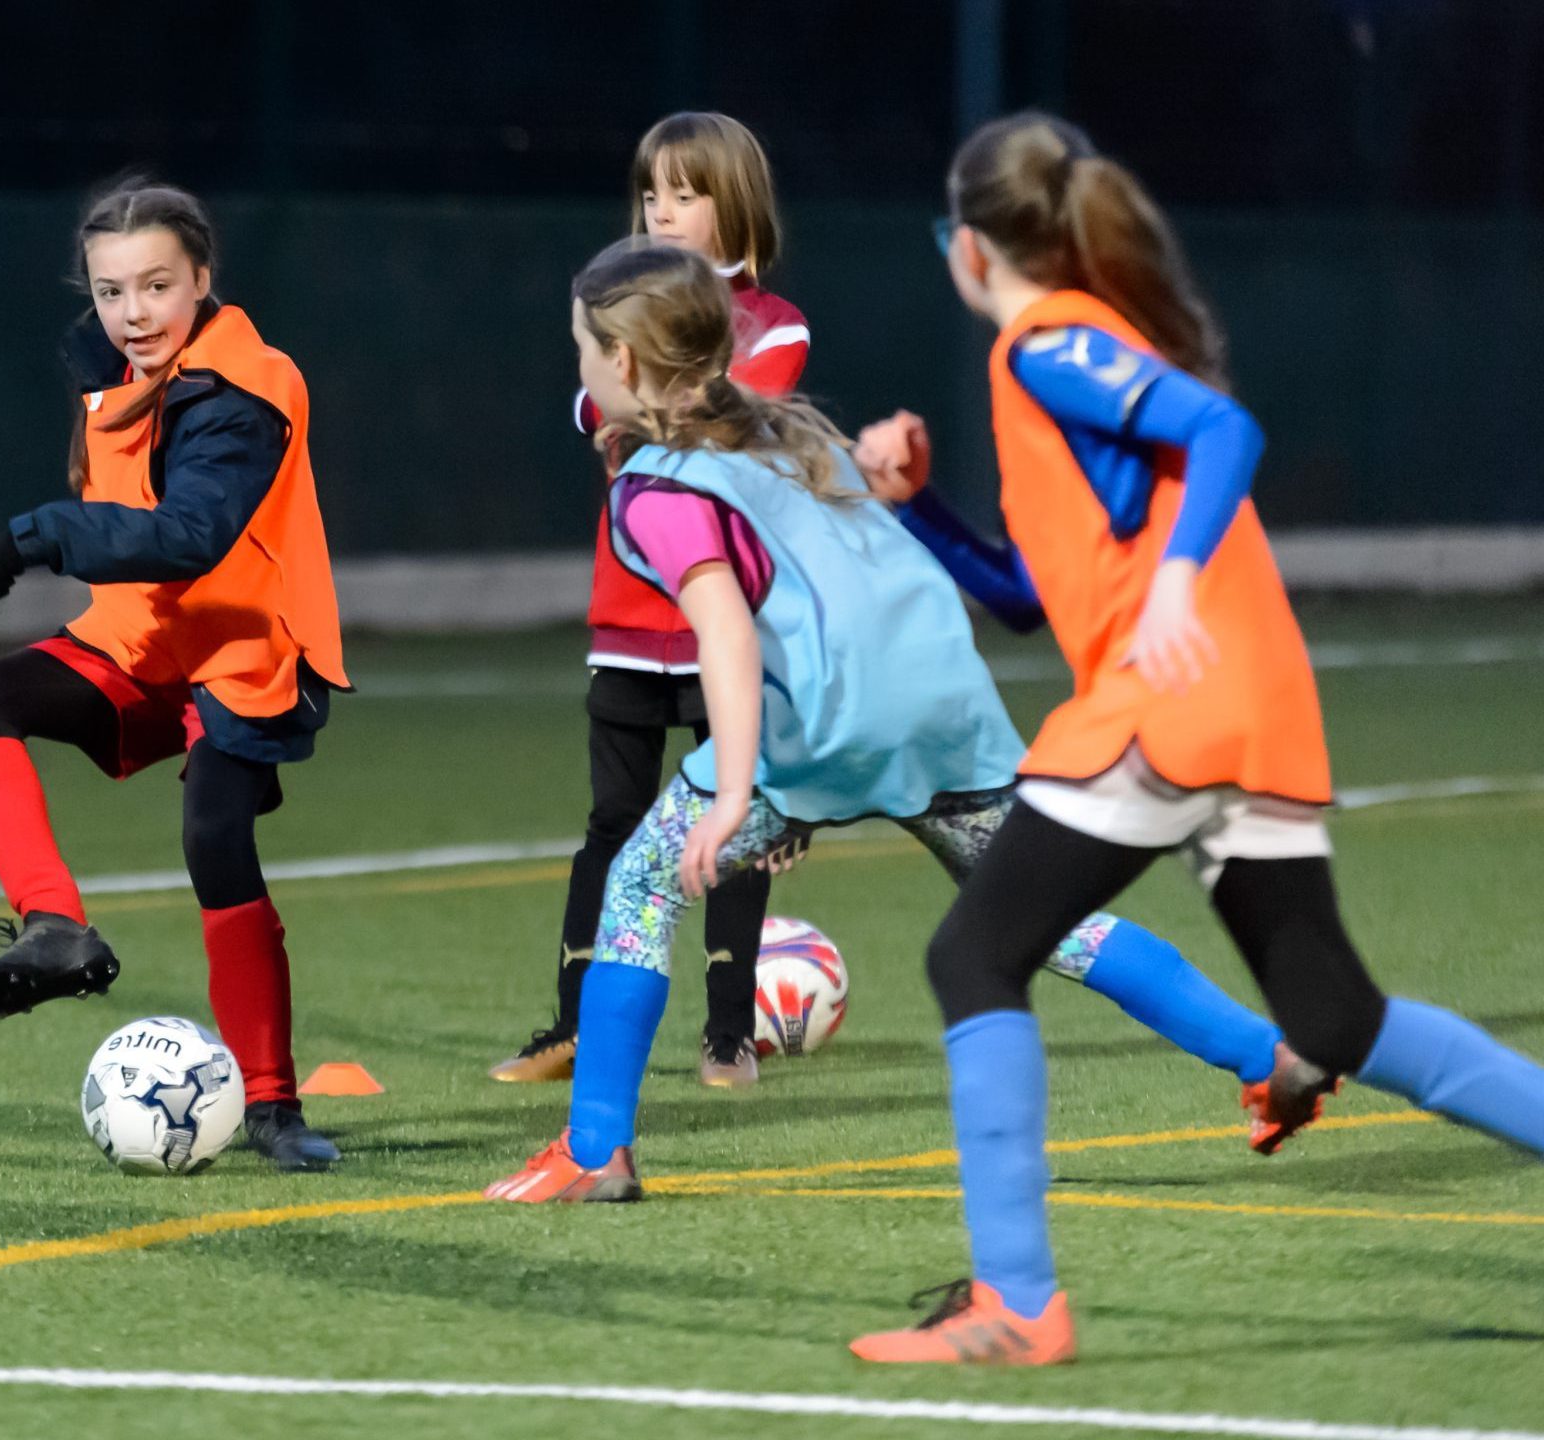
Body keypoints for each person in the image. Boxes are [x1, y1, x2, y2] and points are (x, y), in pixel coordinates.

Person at [847, 112, 1544, 1366]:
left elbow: (1224, 431)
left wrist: (1174, 584)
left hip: (1169, 698)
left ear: (966, 248)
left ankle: (1014, 1306)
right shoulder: (1075, 351)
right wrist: (915, 509)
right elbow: (1021, 599)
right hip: (1246, 701)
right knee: (1336, 1017)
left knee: (974, 957)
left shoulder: (1047, 341)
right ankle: (1037, 1282)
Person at [485, 238, 1290, 1210]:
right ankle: (1265, 1053)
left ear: (621, 363)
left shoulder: (657, 486)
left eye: (580, 347)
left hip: (825, 728)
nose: (575, 366)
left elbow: (725, 633)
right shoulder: (795, 432)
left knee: (642, 883)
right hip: (946, 712)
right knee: (1055, 922)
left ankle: (594, 1150)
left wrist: (735, 788)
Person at [0, 180, 347, 1172]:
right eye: (111, 291)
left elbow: (191, 532)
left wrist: (36, 535)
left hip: (247, 648)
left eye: (157, 287)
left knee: (213, 839)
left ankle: (274, 1107)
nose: (133, 314)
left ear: (203, 280)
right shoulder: (106, 364)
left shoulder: (241, 395)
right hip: (142, 641)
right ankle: (55, 926)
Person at [494, 112, 810, 1091]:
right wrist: (658, 405)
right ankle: (571, 1022)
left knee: (734, 814)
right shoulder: (618, 318)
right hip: (628, 618)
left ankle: (728, 1033)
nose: (660, 211)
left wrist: (658, 408)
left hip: (727, 619)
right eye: (649, 194)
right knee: (613, 824)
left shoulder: (776, 322)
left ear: (737, 206)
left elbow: (728, 418)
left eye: (684, 193)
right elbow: (601, 409)